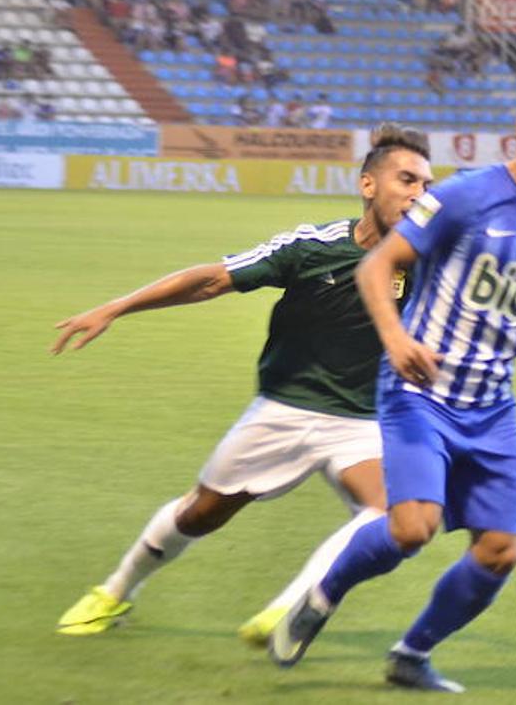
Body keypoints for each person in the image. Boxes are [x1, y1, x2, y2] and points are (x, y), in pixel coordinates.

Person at [268, 68, 516, 692]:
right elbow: (377, 266)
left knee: (502, 549)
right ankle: (322, 594)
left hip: (491, 411)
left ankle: (411, 655)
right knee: (412, 528)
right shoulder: (463, 197)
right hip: (420, 397)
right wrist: (396, 340)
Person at [52, 126, 435, 643]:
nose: (418, 193)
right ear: (368, 185)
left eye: (426, 184)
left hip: (362, 422)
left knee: (390, 514)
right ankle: (115, 592)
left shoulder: (428, 260)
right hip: (283, 409)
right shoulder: (312, 247)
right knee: (200, 514)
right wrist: (118, 307)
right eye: (406, 179)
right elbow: (213, 279)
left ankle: (292, 606)